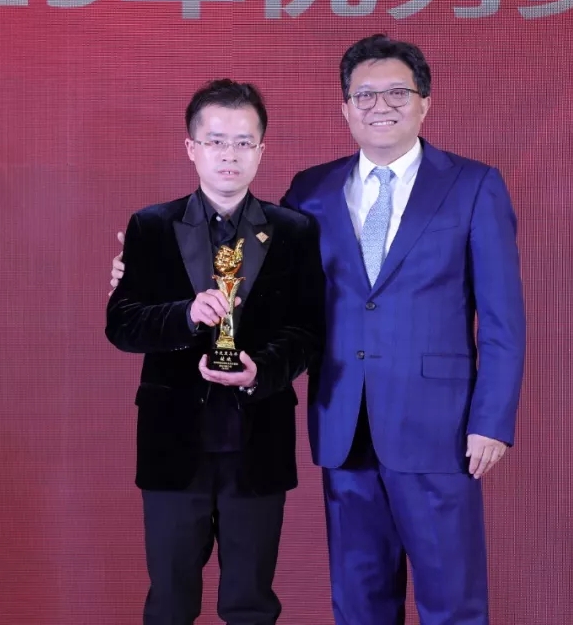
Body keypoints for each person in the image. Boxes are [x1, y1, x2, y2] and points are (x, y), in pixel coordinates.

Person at [110, 35, 525, 625]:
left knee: (452, 600)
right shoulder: (312, 191)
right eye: (364, 95)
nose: (380, 106)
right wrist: (139, 272)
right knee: (358, 601)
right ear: (345, 109)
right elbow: (254, 268)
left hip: (439, 427)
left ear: (425, 102)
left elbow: (504, 318)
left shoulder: (473, 185)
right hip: (343, 422)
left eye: (396, 93)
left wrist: (491, 421)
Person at [105, 78, 324, 625]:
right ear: (192, 147)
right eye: (216, 141)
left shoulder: (295, 231)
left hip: (258, 440)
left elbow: (308, 330)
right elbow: (122, 324)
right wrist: (185, 314)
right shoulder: (150, 226)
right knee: (170, 601)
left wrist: (261, 370)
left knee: (251, 602)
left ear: (261, 150)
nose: (230, 154)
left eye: (244, 142)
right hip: (172, 441)